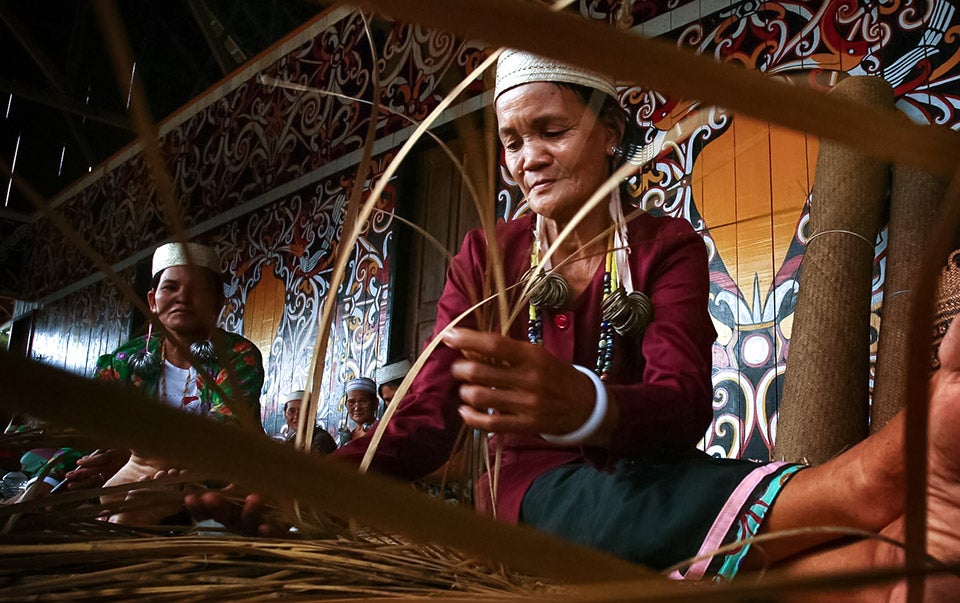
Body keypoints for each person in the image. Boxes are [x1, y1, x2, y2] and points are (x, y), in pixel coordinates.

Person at [188, 51, 960, 598]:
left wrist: (587, 404)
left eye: (550, 131)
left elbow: (687, 397)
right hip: (529, 498)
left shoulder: (665, 245)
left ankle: (880, 573)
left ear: (607, 132)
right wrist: (316, 479)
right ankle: (866, 483)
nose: (526, 159)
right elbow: (425, 417)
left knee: (664, 496)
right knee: (588, 504)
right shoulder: (485, 257)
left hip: (653, 474)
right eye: (513, 141)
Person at [82, 242, 265, 523]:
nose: (184, 297)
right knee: (107, 494)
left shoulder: (238, 355)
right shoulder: (122, 361)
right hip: (138, 477)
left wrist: (148, 455)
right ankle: (143, 507)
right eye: (170, 288)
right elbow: (89, 426)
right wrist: (80, 465)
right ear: (153, 300)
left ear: (218, 303)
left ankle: (146, 510)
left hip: (217, 477)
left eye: (200, 289)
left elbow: (226, 430)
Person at [277, 389, 337, 454]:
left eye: (303, 411)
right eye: (291, 411)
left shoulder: (323, 439)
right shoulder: (292, 440)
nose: (296, 416)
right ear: (285, 415)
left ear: (312, 414)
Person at [337, 377, 379, 446]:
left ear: (375, 403)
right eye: (351, 402)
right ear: (346, 404)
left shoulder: (381, 432)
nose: (357, 408)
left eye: (363, 401)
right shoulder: (346, 437)